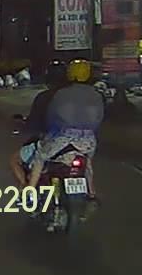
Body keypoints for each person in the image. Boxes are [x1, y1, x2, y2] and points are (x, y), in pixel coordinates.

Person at [18, 59, 104, 201]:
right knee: (87, 163)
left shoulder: (62, 94)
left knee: (40, 158)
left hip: (62, 138)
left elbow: (52, 116)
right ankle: (92, 192)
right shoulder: (96, 95)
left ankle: (29, 192)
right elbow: (100, 118)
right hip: (88, 140)